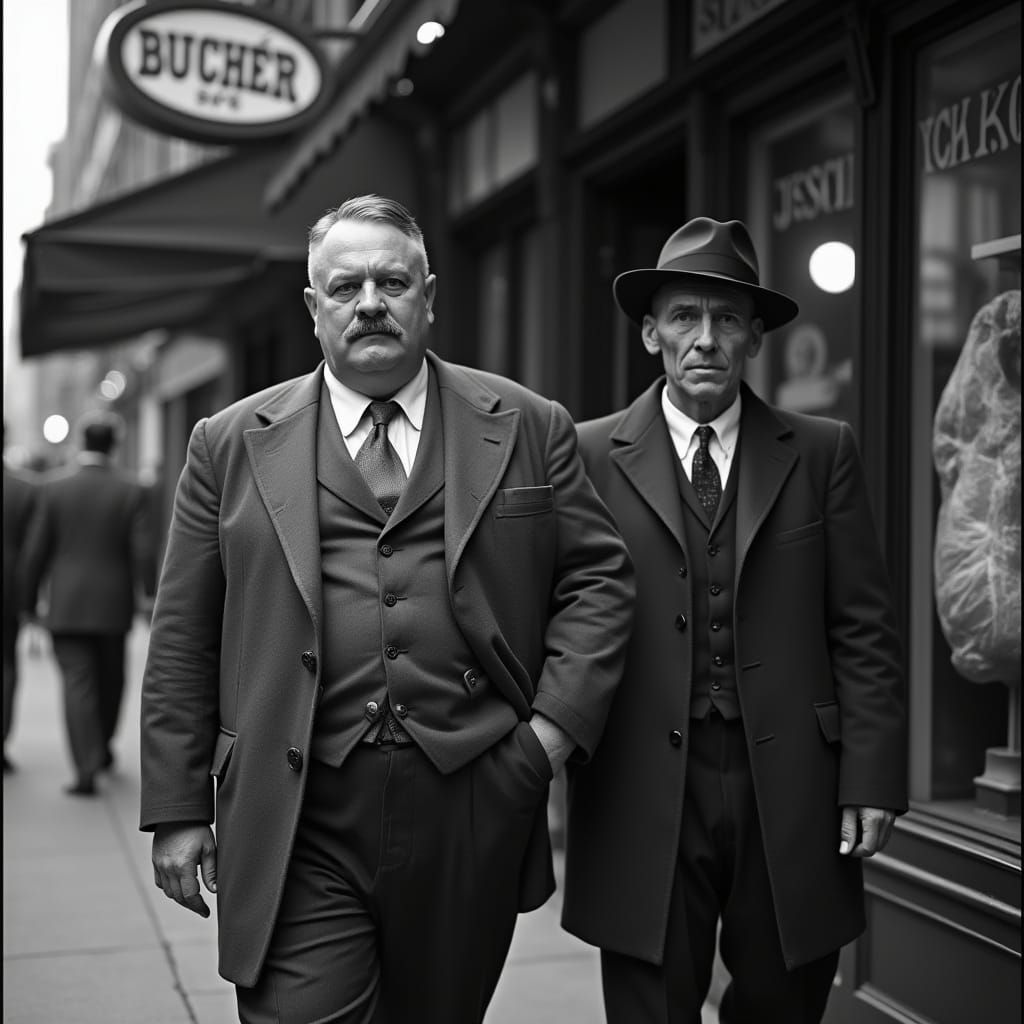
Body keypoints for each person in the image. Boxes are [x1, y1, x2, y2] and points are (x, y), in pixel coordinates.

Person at [139, 194, 634, 1024]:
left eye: (392, 282)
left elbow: (600, 582)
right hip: (296, 803)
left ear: (428, 296)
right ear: (314, 306)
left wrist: (544, 743)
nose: (369, 303)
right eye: (345, 287)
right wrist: (178, 805)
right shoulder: (227, 442)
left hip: (472, 795)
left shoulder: (527, 423)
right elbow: (184, 632)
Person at [562, 217, 907, 1023]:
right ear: (651, 333)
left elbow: (863, 628)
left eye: (726, 320)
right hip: (639, 782)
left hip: (791, 785)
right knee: (650, 1007)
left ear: (755, 336)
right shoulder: (585, 454)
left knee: (785, 1003)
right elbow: (562, 617)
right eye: (684, 317)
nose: (705, 339)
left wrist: (871, 777)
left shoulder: (821, 452)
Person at [21, 410, 154, 795]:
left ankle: (86, 766)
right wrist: (148, 593)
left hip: (66, 604)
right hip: (113, 604)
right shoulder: (132, 489)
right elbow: (143, 550)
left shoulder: (52, 488)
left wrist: (28, 601)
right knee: (112, 681)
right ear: (114, 444)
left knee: (77, 685)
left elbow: (35, 551)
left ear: (82, 442)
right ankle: (102, 748)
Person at [3, 429, 39, 772]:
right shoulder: (24, 489)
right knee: (6, 665)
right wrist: (30, 602)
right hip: (9, 591)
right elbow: (33, 551)